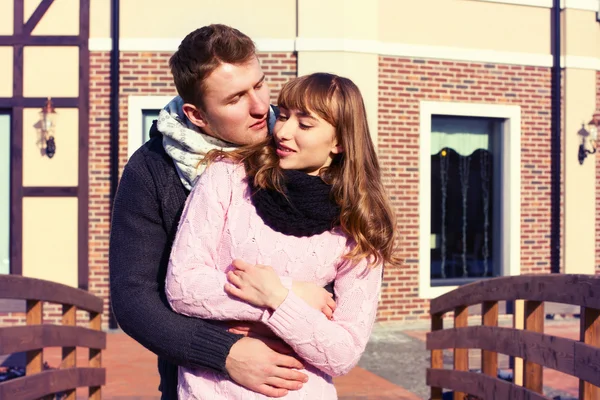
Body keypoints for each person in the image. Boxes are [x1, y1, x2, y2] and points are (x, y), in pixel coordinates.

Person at [109, 24, 334, 400]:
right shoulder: (151, 171)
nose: (262, 107)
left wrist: (291, 305)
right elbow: (134, 301)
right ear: (197, 115)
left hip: (297, 382)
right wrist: (224, 352)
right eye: (235, 99)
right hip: (199, 383)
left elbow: (339, 253)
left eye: (259, 85)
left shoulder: (297, 142)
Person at [165, 72, 400, 399]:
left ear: (340, 141)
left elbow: (342, 353)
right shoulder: (229, 177)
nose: (283, 131)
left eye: (305, 125)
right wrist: (290, 294)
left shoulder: (359, 225)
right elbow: (182, 287)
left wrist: (277, 299)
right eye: (285, 115)